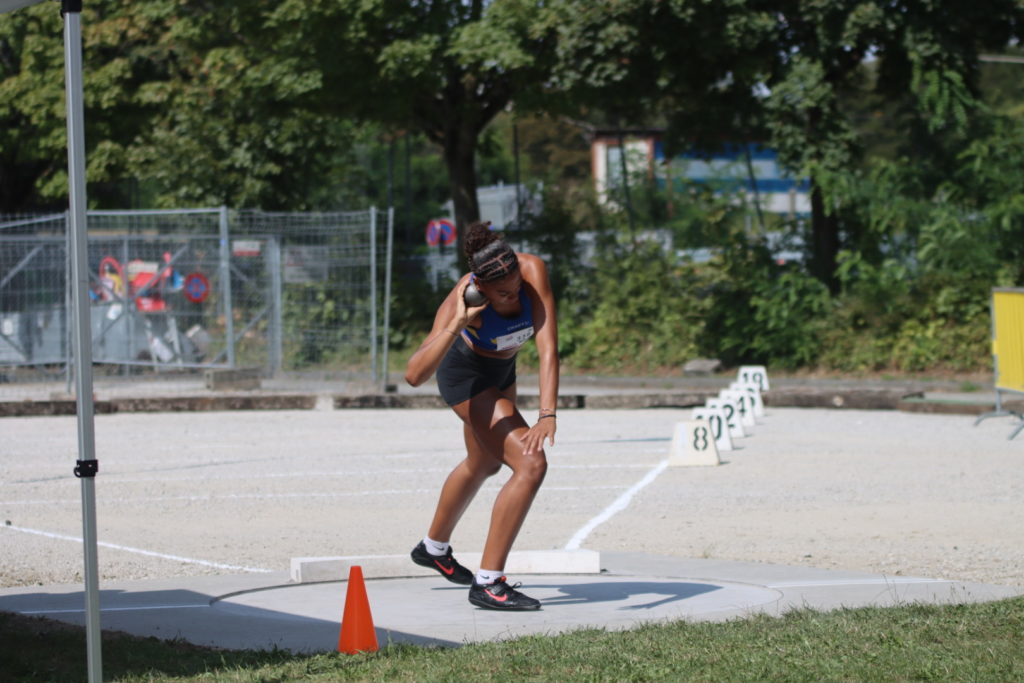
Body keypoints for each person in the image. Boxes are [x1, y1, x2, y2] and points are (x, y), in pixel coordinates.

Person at [405, 220, 559, 610]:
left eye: (516, 289)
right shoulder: (465, 301)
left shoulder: (532, 271)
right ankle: (489, 583)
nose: (512, 298)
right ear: (479, 289)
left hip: (502, 372)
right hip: (466, 377)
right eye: (501, 294)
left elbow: (547, 349)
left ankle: (433, 548)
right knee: (531, 464)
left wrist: (547, 413)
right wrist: (458, 322)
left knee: (483, 462)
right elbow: (414, 375)